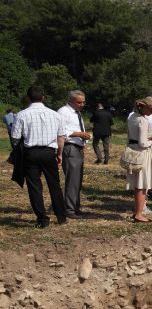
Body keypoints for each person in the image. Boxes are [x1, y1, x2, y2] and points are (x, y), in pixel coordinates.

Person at [11, 86, 68, 228]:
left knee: (34, 187)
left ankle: (42, 219)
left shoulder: (21, 114)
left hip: (31, 153)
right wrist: (59, 154)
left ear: (28, 98)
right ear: (43, 97)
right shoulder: (55, 114)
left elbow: (15, 138)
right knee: (55, 185)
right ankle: (61, 217)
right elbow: (61, 137)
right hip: (49, 153)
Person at [126, 97, 152, 223]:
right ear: (143, 107)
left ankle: (138, 212)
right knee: (142, 185)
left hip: (133, 151)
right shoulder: (142, 121)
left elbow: (132, 136)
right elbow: (142, 143)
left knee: (138, 184)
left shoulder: (132, 117)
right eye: (151, 109)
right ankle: (139, 214)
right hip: (142, 154)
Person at [57, 90, 90, 219]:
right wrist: (78, 134)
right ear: (70, 101)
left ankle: (75, 207)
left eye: (83, 102)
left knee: (77, 180)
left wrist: (83, 138)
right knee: (72, 180)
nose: (82, 104)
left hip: (78, 148)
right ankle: (69, 209)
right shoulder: (63, 112)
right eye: (79, 102)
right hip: (70, 148)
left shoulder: (77, 112)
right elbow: (61, 131)